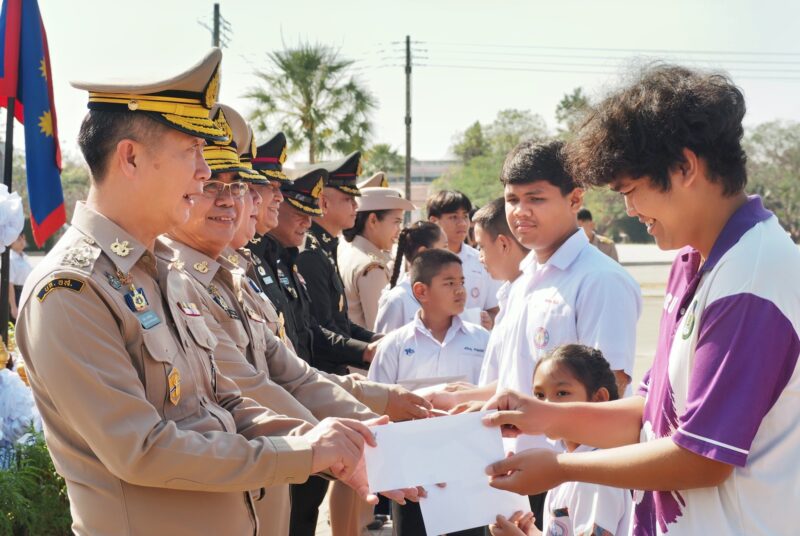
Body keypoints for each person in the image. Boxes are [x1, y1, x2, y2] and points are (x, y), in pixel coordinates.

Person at [15, 49, 380, 535]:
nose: (205, 172)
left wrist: (328, 442)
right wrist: (305, 452)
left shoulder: (165, 274)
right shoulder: (71, 289)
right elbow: (142, 449)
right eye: (192, 152)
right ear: (130, 157)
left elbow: (223, 402)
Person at [483, 65, 800, 536]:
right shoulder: (695, 259)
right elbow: (652, 413)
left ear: (685, 168)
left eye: (631, 191)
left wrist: (563, 468)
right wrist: (546, 416)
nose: (630, 210)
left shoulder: (751, 278)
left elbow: (702, 458)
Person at [429, 140, 641, 529]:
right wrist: (468, 404)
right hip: (509, 467)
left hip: (567, 474)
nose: (520, 211)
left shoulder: (600, 280)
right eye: (512, 199)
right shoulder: (524, 278)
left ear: (575, 198)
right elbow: (513, 380)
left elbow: (611, 389)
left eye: (536, 198)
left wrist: (566, 463)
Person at [368, 248, 489, 536]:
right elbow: (375, 406)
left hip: (467, 465)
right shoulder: (395, 345)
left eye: (461, 282)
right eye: (449, 283)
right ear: (421, 291)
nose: (460, 290)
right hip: (413, 469)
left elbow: (493, 395)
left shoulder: (482, 340)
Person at [488, 344, 632, 536]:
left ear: (598, 398)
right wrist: (531, 533)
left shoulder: (595, 476)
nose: (546, 405)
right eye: (539, 395)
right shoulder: (567, 462)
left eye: (562, 393)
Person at [296, 151, 380, 374]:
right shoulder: (310, 254)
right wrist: (367, 351)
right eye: (348, 199)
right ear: (323, 202)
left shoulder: (325, 248)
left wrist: (377, 339)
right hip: (322, 376)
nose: (355, 206)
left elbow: (340, 322)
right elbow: (320, 330)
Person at [339, 186, 415, 330]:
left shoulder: (348, 251)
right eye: (396, 222)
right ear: (373, 220)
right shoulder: (372, 267)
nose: (399, 230)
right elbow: (380, 329)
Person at [426, 190, 503, 323]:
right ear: (434, 221)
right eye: (453, 217)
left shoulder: (482, 261)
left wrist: (488, 320)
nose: (462, 223)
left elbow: (495, 310)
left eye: (465, 216)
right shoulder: (423, 262)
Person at [373, 221, 447, 333]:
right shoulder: (396, 300)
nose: (450, 254)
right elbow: (384, 342)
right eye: (445, 247)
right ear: (424, 252)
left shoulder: (445, 292)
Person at [8, 232, 32, 321]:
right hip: (16, 294)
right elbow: (9, 284)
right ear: (11, 242)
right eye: (19, 239)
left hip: (26, 292)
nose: (22, 241)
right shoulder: (10, 259)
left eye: (23, 239)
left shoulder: (25, 257)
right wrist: (13, 307)